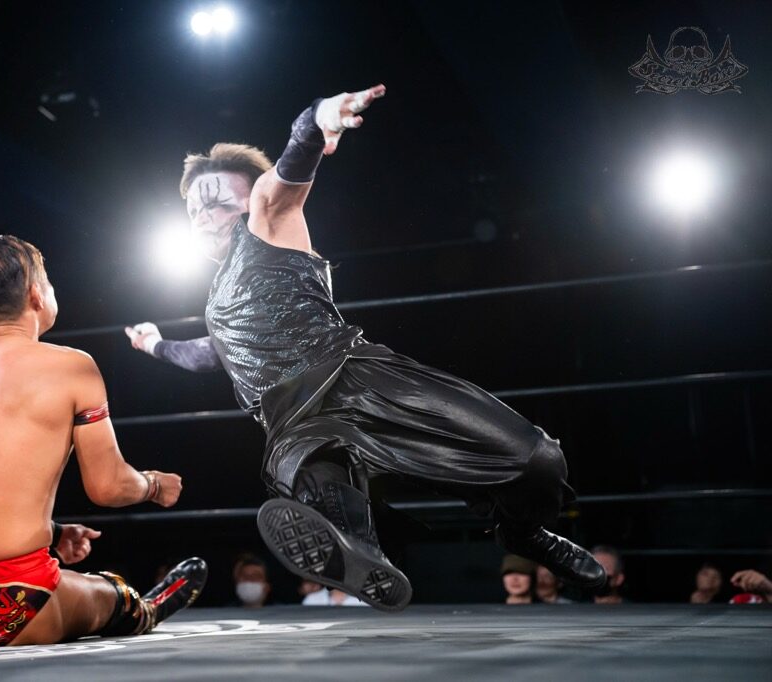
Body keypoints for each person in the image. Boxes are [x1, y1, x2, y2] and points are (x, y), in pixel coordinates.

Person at [126, 84, 605, 612]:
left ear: (248, 197)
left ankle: (523, 533)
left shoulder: (267, 221)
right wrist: (155, 344)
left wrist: (319, 117)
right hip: (294, 423)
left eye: (217, 202)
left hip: (354, 377)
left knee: (538, 460)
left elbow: (291, 163)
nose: (203, 215)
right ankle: (359, 555)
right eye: (194, 209)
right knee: (315, 473)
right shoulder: (217, 305)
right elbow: (205, 355)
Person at [0, 235, 206, 648]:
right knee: (115, 595)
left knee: (73, 584)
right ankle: (147, 609)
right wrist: (155, 485)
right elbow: (107, 487)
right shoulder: (72, 367)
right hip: (13, 607)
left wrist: (51, 532)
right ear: (36, 294)